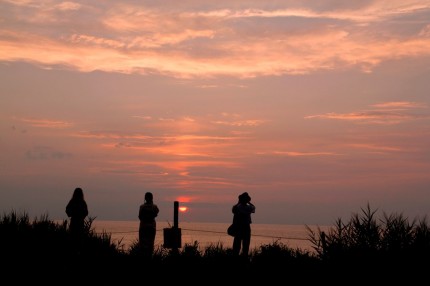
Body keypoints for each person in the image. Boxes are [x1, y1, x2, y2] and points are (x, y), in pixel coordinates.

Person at [232, 192, 255, 257]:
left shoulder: (237, 207)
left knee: (236, 245)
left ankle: (235, 257)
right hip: (246, 227)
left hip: (238, 227)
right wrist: (249, 202)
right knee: (246, 245)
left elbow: (234, 210)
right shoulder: (248, 207)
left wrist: (238, 202)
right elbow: (253, 207)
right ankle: (244, 258)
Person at [138, 192, 159, 258]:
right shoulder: (155, 207)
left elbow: (140, 216)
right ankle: (150, 256)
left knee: (142, 244)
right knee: (151, 243)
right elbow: (156, 213)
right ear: (152, 198)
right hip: (152, 227)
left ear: (145, 198)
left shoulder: (142, 207)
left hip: (143, 227)